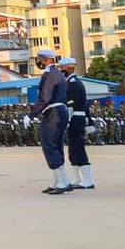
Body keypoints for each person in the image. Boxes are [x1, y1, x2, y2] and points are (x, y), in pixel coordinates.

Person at [33, 49, 71, 193]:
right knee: (57, 145)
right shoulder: (59, 74)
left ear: (47, 60)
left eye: (40, 59)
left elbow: (45, 97)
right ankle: (59, 181)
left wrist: (31, 114)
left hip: (52, 113)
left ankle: (62, 182)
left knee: (49, 145)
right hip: (60, 112)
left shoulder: (49, 75)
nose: (38, 62)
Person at [61, 56, 93, 190]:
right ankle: (78, 179)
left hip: (75, 119)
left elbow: (73, 105)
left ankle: (87, 180)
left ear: (68, 68)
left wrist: (66, 119)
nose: (60, 71)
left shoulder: (73, 83)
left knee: (78, 148)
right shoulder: (70, 82)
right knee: (73, 150)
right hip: (74, 119)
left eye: (61, 68)